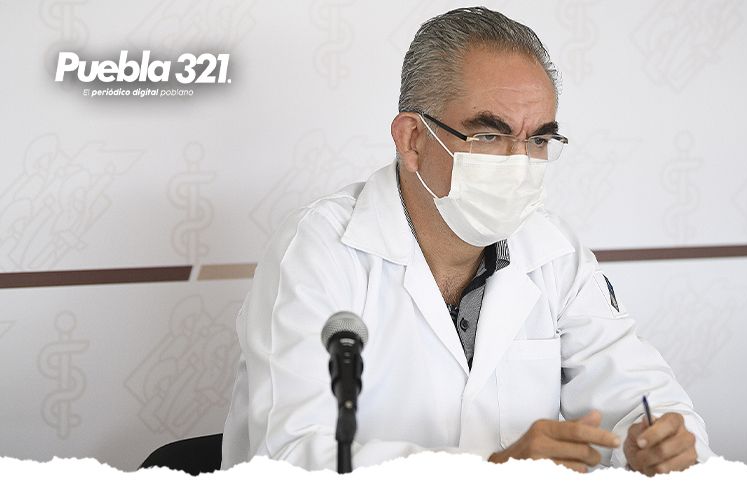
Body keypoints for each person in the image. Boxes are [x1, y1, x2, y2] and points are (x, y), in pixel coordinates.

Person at [222, 6, 713, 475]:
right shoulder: (319, 251)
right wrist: (489, 472)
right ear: (413, 139)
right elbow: (287, 456)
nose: (519, 163)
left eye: (538, 140)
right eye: (489, 136)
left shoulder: (554, 253)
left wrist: (658, 443)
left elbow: (644, 398)